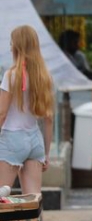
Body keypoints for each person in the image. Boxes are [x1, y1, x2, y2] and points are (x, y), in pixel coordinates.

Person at [0, 26, 54, 195]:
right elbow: (49, 118)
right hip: (35, 140)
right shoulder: (44, 76)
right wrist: (46, 153)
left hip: (11, 139)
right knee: (33, 201)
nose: (10, 47)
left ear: (17, 46)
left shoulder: (11, 75)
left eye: (11, 43)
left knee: (2, 199)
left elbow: (2, 113)